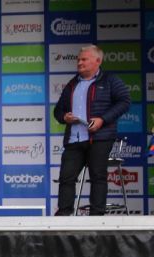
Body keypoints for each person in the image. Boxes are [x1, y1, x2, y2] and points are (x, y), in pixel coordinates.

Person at [53, 44, 131, 216]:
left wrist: (102, 119)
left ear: (97, 61)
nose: (79, 63)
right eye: (78, 59)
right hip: (74, 138)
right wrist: (64, 117)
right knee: (66, 177)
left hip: (100, 138)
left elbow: (125, 101)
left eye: (84, 59)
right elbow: (58, 110)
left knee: (98, 176)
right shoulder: (72, 84)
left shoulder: (110, 80)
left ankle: (97, 217)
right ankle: (63, 216)